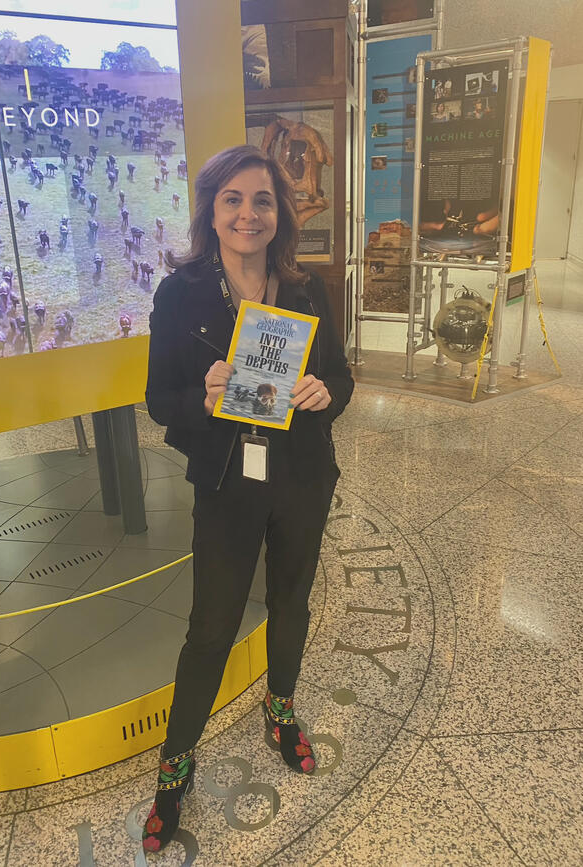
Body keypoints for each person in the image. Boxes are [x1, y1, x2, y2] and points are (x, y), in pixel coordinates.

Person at [141, 145, 354, 853]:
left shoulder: (307, 289)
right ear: (212, 209)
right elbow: (158, 399)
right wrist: (203, 399)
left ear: (279, 212)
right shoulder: (183, 294)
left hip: (300, 474)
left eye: (262, 200)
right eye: (232, 199)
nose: (248, 213)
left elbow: (339, 380)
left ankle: (281, 710)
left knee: (292, 602)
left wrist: (327, 395)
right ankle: (175, 767)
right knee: (211, 627)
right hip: (229, 484)